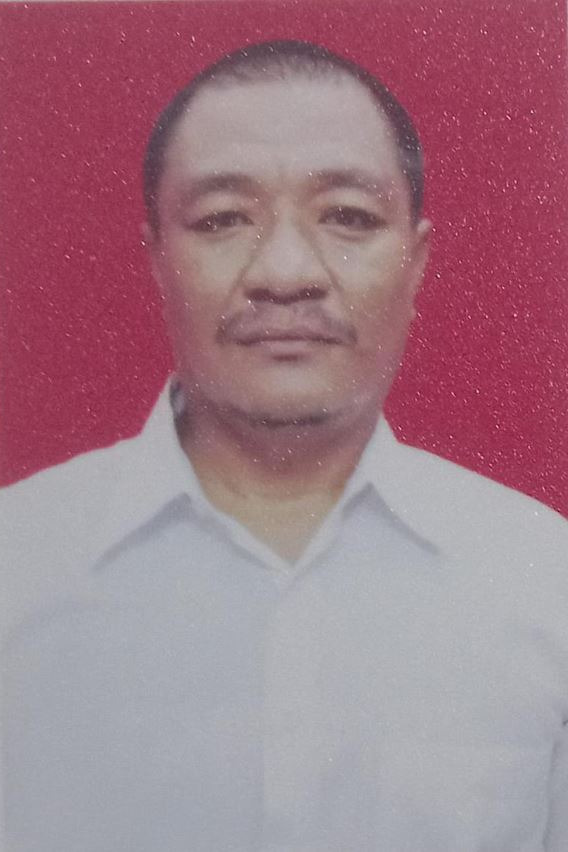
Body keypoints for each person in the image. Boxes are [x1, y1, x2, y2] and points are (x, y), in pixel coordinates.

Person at [2, 39, 568, 852]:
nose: (286, 271)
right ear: (157, 258)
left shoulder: (543, 580)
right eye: (223, 220)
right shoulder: (18, 565)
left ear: (416, 261)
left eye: (348, 217)